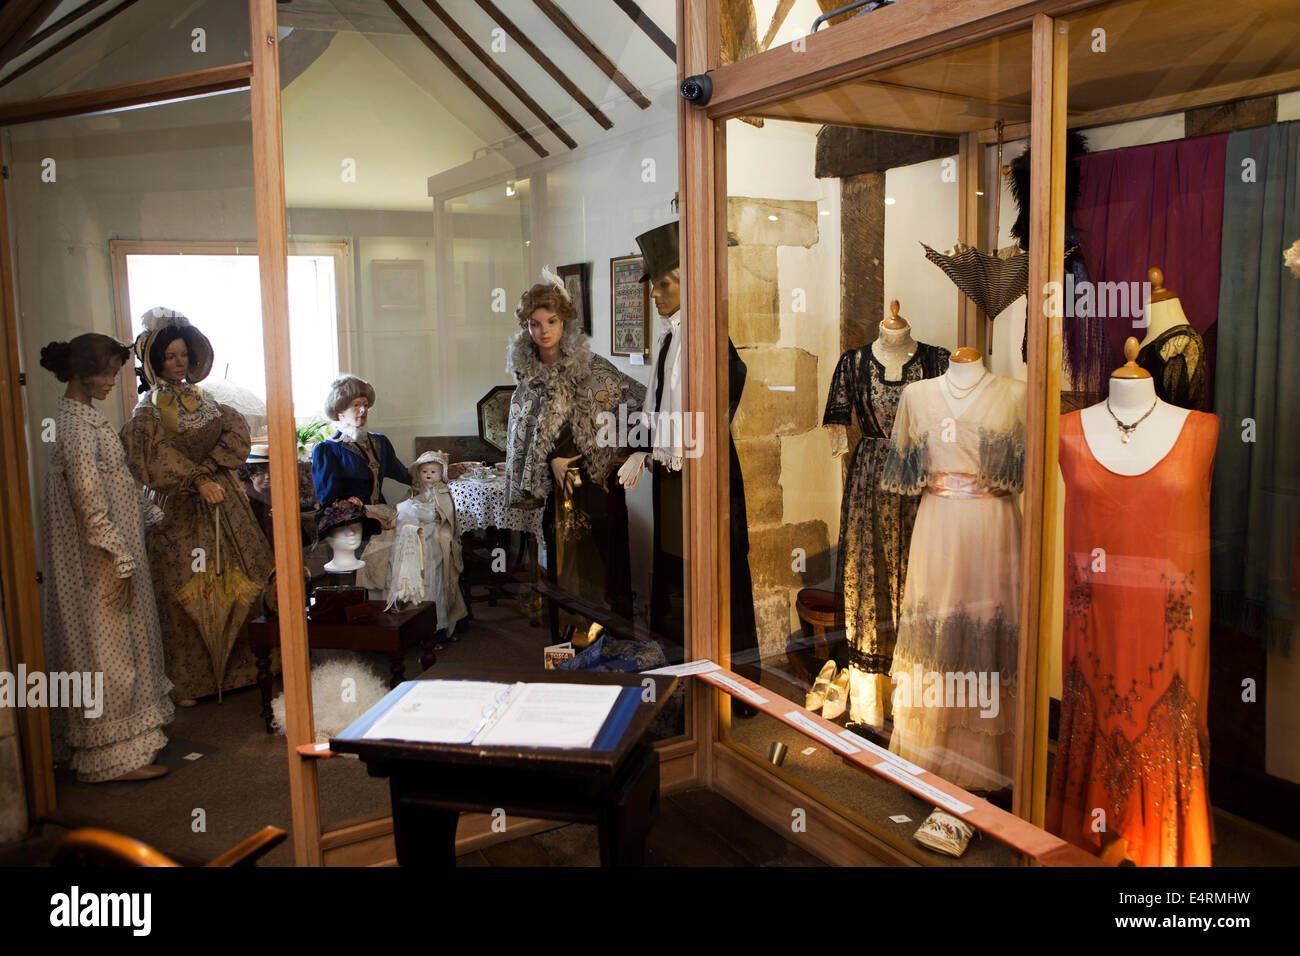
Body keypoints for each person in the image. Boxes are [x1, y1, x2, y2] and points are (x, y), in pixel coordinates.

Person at [121, 308, 274, 705]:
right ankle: (191, 681)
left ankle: (247, 665)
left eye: (183, 355)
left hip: (221, 497)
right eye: (170, 356)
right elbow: (150, 457)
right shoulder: (149, 409)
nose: (178, 362)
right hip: (180, 503)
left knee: (241, 574)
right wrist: (196, 479)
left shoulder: (207, 400)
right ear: (155, 362)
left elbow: (233, 438)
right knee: (184, 584)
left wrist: (210, 472)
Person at [39, 333, 173, 782]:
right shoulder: (75, 427)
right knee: (107, 654)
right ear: (79, 372)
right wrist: (118, 555)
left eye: (114, 373)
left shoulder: (88, 421)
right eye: (105, 373)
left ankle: (126, 749)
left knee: (123, 648)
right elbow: (88, 501)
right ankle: (110, 757)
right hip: (97, 561)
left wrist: (149, 512)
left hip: (115, 549)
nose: (110, 382)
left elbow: (116, 482)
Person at [504, 269, 646, 622]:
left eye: (551, 320)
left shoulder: (593, 368)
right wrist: (549, 460)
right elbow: (524, 435)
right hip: (555, 488)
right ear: (526, 327)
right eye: (535, 324)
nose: (544, 330)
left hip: (597, 483)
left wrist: (632, 452)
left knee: (605, 557)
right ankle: (568, 638)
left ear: (564, 321)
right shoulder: (527, 378)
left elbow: (639, 403)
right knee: (561, 563)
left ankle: (613, 633)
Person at [386, 451, 469, 641]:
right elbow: (401, 509)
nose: (428, 475)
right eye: (424, 471)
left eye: (433, 471)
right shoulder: (415, 491)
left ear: (442, 474)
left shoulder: (444, 492)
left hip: (434, 529)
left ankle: (438, 626)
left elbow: (446, 516)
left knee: (431, 555)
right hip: (415, 528)